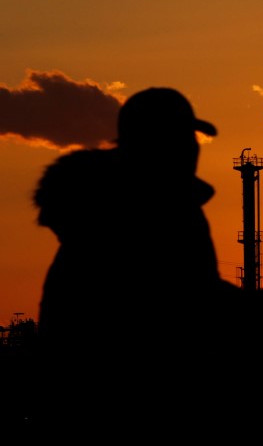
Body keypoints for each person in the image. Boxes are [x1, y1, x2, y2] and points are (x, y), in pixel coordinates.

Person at [33, 87, 248, 432]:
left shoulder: (114, 206)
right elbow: (185, 300)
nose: (192, 146)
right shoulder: (148, 210)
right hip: (134, 405)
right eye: (183, 136)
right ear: (157, 143)